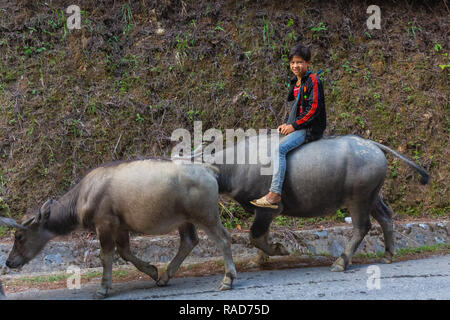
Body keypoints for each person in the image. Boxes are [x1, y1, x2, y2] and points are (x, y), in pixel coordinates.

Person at [250, 44, 326, 209]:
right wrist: (287, 123)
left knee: (279, 150)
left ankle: (275, 193)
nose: (295, 66)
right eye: (292, 63)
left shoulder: (313, 80)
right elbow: (294, 107)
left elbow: (313, 109)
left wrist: (294, 126)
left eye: (299, 62)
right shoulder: (295, 82)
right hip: (298, 125)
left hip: (309, 128)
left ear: (308, 63)